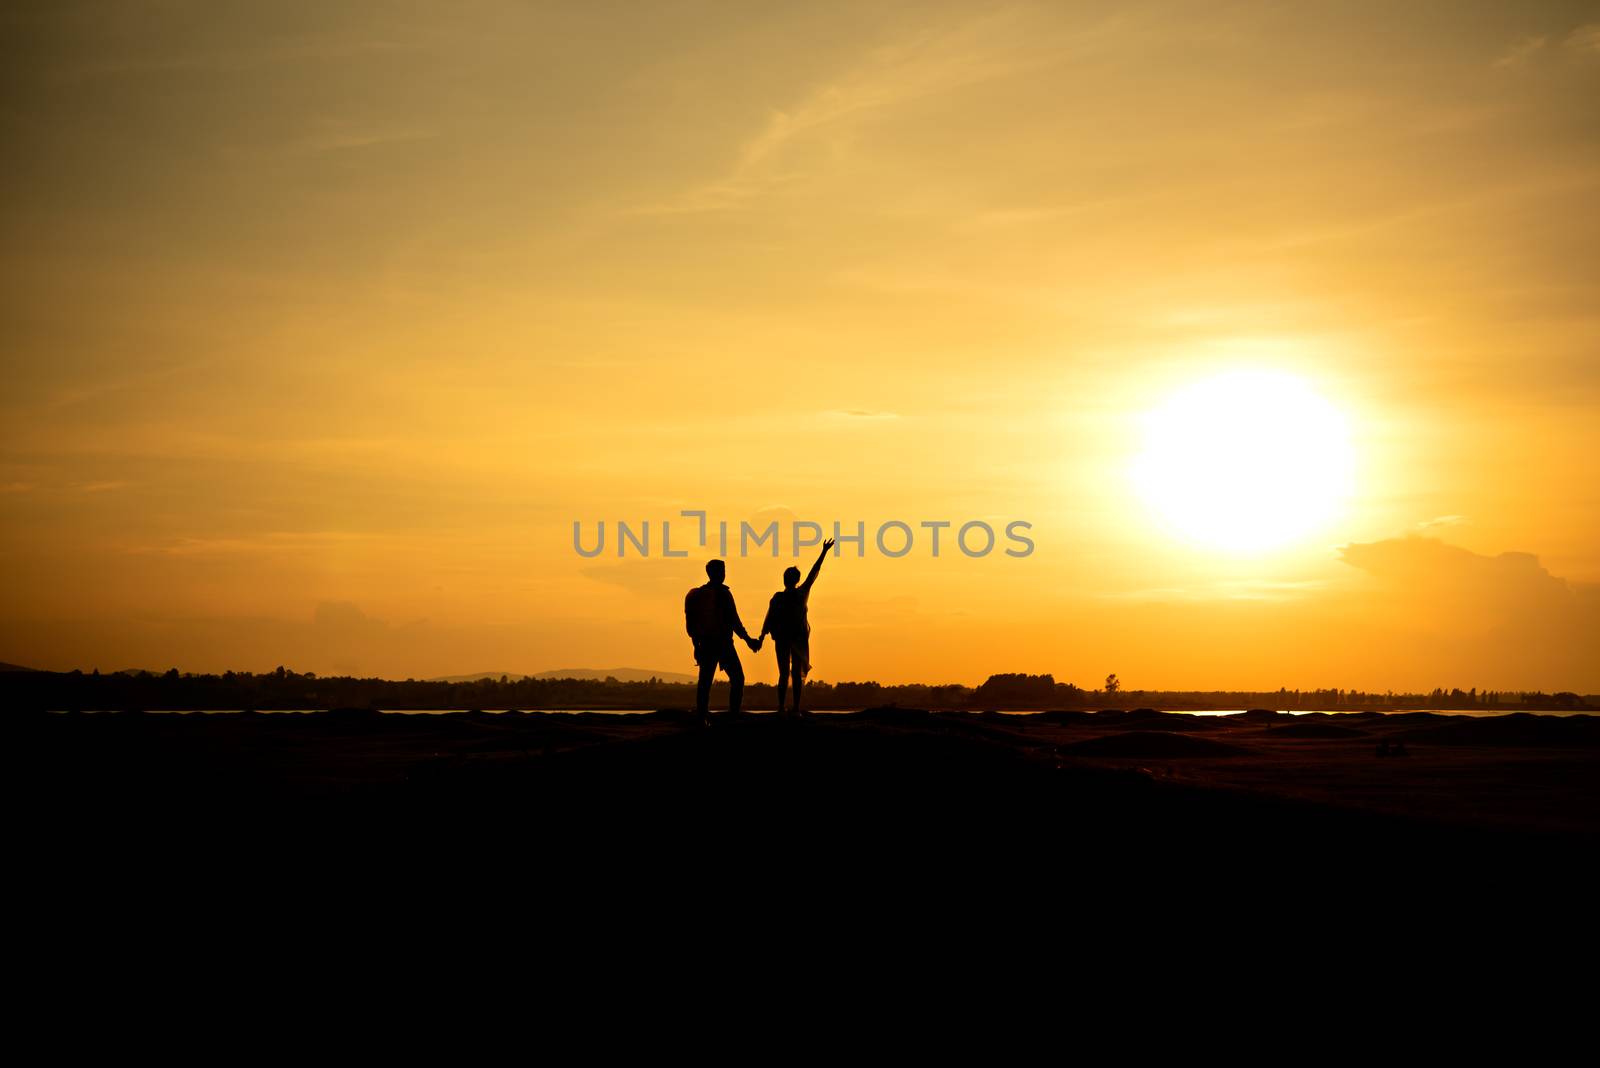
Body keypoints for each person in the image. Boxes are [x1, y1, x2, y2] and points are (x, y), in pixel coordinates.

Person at [760, 538, 833, 718]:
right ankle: (793, 708)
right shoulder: (798, 594)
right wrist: (823, 552)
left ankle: (783, 707)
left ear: (785, 580)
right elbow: (814, 574)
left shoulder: (783, 596)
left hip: (789, 639)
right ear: (795, 580)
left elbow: (768, 619)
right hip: (793, 638)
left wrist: (761, 636)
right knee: (792, 673)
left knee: (785, 673)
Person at [684, 559, 761, 725]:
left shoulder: (698, 595)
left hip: (705, 644)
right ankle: (733, 715)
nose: (724, 574)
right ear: (716, 573)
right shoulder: (723, 594)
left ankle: (702, 715)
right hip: (723, 644)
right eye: (722, 570)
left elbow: (692, 626)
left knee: (705, 681)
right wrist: (748, 640)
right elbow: (735, 621)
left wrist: (696, 646)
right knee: (738, 679)